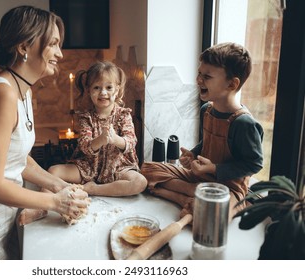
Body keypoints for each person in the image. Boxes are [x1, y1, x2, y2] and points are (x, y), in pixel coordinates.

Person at [0, 6, 89, 260]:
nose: (60, 54)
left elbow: (16, 157)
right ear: (24, 47)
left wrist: (58, 185)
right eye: (53, 44)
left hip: (3, 219)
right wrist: (56, 202)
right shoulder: (2, 95)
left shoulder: (22, 90)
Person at [141, 42, 264, 221]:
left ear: (232, 84)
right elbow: (208, 141)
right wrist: (193, 153)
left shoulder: (244, 123)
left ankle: (182, 197)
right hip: (199, 178)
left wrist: (214, 168)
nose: (199, 80)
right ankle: (192, 195)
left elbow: (254, 164)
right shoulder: (206, 110)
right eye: (199, 73)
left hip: (228, 189)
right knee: (148, 169)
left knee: (210, 217)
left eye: (207, 76)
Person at [48, 61, 147, 196]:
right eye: (97, 88)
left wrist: (115, 139)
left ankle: (93, 189)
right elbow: (84, 146)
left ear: (117, 90)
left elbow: (131, 142)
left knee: (139, 182)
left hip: (118, 168)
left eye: (109, 87)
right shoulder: (86, 118)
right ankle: (42, 208)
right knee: (53, 171)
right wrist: (100, 140)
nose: (103, 93)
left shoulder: (123, 115)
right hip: (88, 167)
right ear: (89, 90)